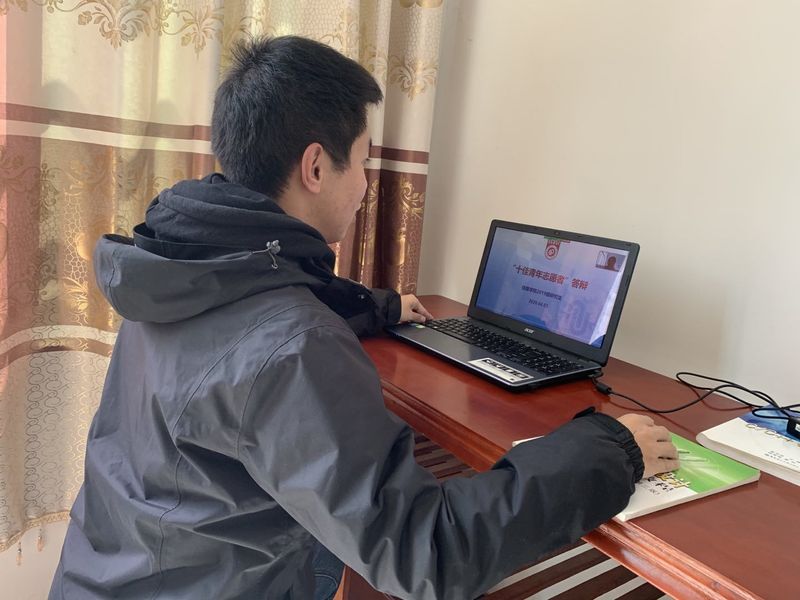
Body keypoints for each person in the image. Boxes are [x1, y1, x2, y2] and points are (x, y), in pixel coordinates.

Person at [49, 36, 679, 600]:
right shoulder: (295, 345)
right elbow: (426, 553)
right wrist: (610, 450)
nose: (366, 186)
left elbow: (263, 314)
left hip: (113, 571)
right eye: (363, 161)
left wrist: (379, 308)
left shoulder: (177, 268)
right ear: (316, 167)